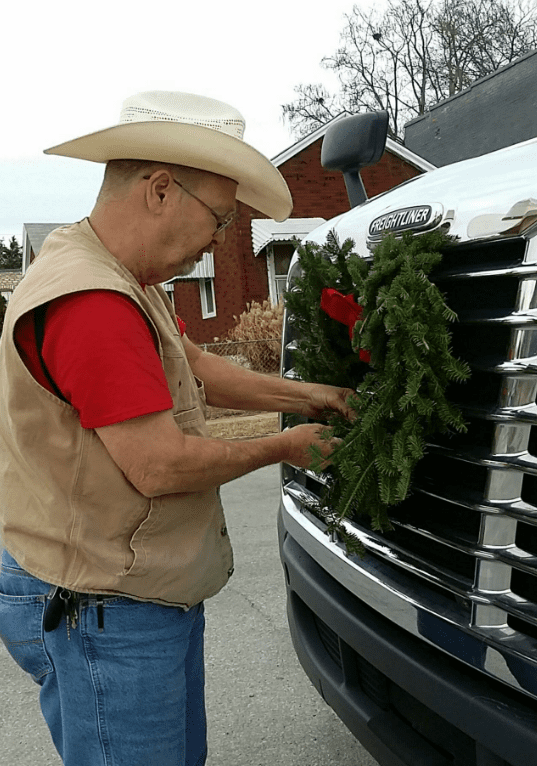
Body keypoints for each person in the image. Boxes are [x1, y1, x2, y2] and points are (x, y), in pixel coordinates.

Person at [0, 91, 353, 766]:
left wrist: (310, 395)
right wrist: (286, 445)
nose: (218, 240)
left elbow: (196, 368)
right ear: (161, 189)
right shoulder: (92, 302)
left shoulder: (123, 279)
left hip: (119, 596)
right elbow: (158, 465)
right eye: (218, 219)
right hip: (104, 607)